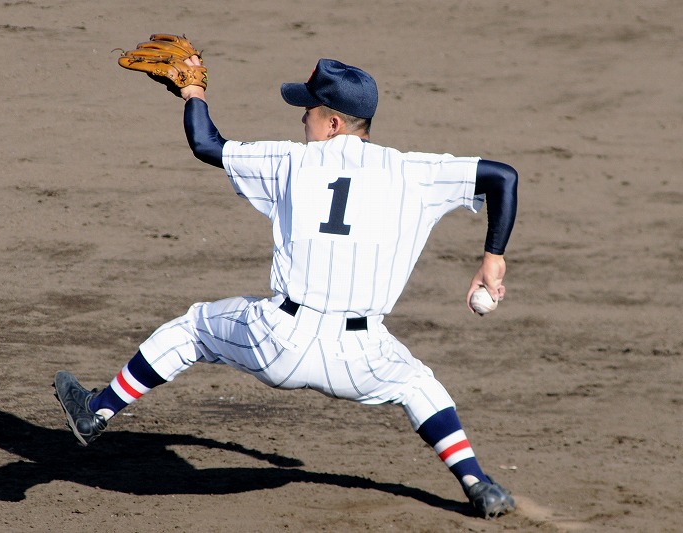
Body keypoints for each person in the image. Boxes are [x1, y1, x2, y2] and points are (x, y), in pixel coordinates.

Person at [54, 55, 518, 519]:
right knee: (417, 385)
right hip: (362, 356)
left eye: (309, 111)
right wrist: (491, 260)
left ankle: (98, 410)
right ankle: (477, 483)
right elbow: (503, 177)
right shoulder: (414, 171)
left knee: (193, 330)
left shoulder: (291, 160)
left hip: (278, 340)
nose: (302, 117)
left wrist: (193, 93)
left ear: (333, 123)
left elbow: (205, 144)